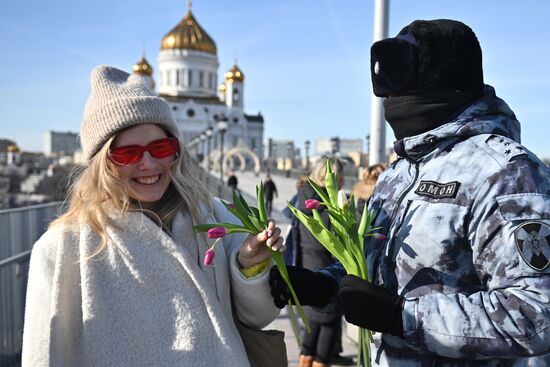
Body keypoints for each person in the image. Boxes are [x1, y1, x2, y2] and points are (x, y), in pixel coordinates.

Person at [270, 19, 550, 366]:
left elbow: (537, 315)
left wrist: (403, 316)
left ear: (441, 79)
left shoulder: (506, 173)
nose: (389, 98)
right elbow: (379, 275)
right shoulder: (398, 173)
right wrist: (325, 287)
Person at [22, 65, 285, 367]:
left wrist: (249, 266)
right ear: (101, 163)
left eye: (160, 147)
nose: (148, 163)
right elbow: (44, 354)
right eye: (127, 154)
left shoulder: (213, 217)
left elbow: (258, 316)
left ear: (177, 150)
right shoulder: (64, 248)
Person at [291, 157, 350, 367]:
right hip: (328, 276)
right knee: (328, 328)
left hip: (305, 268)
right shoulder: (331, 208)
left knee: (311, 330)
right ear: (338, 179)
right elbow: (342, 250)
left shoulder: (302, 199)